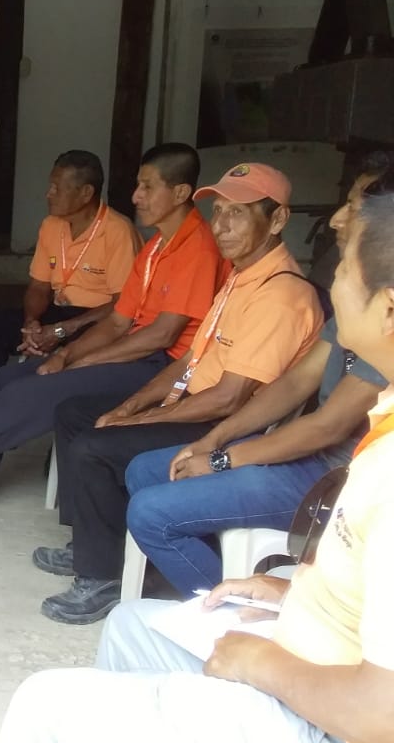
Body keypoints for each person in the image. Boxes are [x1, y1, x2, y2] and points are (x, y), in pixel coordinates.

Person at [0, 174, 394, 743]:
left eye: (343, 269)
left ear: (389, 309)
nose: (332, 284)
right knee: (131, 626)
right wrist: (292, 591)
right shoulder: (381, 427)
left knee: (45, 710)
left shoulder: (386, 471)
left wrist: (261, 663)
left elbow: (383, 708)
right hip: (320, 656)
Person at [0, 143, 220, 519]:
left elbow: (161, 336)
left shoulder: (197, 249)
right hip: (134, 350)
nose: (136, 196)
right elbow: (118, 321)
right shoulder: (157, 246)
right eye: (138, 185)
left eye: (147, 187)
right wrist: (66, 353)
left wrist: (82, 362)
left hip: (163, 369)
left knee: (28, 390)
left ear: (181, 192)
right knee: (6, 377)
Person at [32, 162, 324, 624]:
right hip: (195, 404)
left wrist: (137, 421)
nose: (221, 225)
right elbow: (190, 360)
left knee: (94, 447)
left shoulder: (280, 294)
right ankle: (93, 543)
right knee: (75, 413)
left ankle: (102, 576)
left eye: (238, 213)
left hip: (227, 426)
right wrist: (130, 405)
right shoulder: (240, 277)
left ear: (278, 220)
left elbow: (229, 398)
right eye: (218, 211)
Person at [124, 156, 391, 595]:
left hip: (337, 476)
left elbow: (328, 425)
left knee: (150, 512)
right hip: (310, 458)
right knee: (146, 470)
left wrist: (222, 459)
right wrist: (215, 440)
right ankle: (205, 570)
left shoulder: (377, 318)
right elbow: (295, 383)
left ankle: (238, 610)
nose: (337, 219)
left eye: (355, 207)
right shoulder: (351, 300)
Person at [0, 150, 140, 391]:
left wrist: (62, 330)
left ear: (86, 193)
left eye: (57, 188)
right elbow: (39, 286)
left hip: (97, 319)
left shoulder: (118, 231)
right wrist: (31, 322)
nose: (48, 194)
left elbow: (123, 304)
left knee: (81, 348)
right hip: (59, 311)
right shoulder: (51, 225)